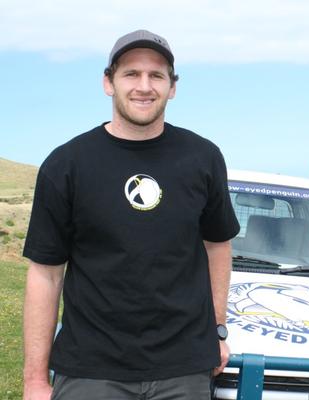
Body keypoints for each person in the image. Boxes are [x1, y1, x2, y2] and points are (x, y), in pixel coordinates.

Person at [22, 29, 240, 400]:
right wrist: (35, 380)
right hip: (90, 370)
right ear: (108, 82)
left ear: (173, 87)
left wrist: (217, 329)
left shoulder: (203, 158)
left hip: (183, 370)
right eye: (131, 74)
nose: (144, 86)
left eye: (157, 75)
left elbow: (217, 246)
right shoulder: (67, 164)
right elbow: (46, 273)